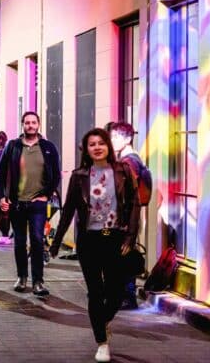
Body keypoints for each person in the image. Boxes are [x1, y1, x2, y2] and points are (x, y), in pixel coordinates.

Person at [50, 128, 140, 363]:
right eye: (92, 144)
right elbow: (68, 209)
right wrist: (56, 242)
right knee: (95, 292)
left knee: (116, 291)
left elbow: (134, 204)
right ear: (86, 149)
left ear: (108, 146)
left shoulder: (123, 171)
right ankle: (102, 341)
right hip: (90, 240)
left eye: (101, 143)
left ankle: (104, 320)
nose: (97, 147)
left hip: (116, 239)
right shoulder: (80, 175)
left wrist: (131, 236)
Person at [0, 111, 61, 296]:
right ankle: (22, 278)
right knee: (19, 242)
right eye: (27, 123)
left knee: (37, 241)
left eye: (33, 122)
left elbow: (56, 174)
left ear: (38, 124)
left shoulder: (48, 147)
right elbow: (1, 173)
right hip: (18, 203)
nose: (30, 125)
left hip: (38, 204)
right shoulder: (13, 146)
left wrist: (46, 195)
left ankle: (38, 282)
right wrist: (3, 196)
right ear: (22, 125)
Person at [108, 121, 145, 310]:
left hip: (125, 219)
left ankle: (128, 297)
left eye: (116, 137)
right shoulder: (131, 159)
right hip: (128, 217)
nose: (111, 140)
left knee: (124, 255)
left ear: (128, 138)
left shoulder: (129, 161)